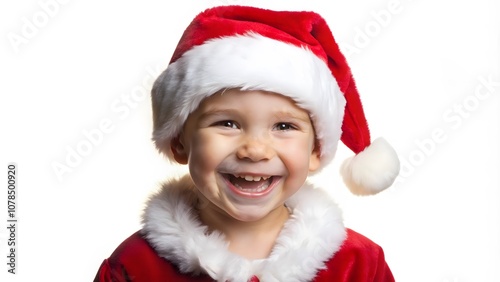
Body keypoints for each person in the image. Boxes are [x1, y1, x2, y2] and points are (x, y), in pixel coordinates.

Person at [93, 5, 400, 282]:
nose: (255, 150)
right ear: (179, 142)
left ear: (316, 151)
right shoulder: (134, 268)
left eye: (284, 126)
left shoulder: (360, 266)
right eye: (227, 123)